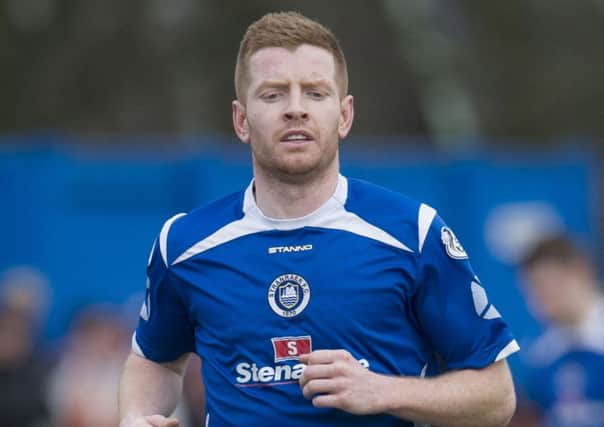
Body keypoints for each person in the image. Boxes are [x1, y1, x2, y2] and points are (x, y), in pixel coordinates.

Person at [119, 11, 519, 427]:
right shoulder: (183, 244)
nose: (295, 110)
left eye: (314, 93)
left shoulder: (413, 233)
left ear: (344, 115)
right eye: (273, 94)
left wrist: (384, 390)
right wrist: (134, 416)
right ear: (241, 120)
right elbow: (155, 361)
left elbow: (496, 397)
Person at [514, 235, 604, 427]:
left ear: (580, 272)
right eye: (531, 289)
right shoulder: (539, 356)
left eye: (545, 285)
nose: (538, 300)